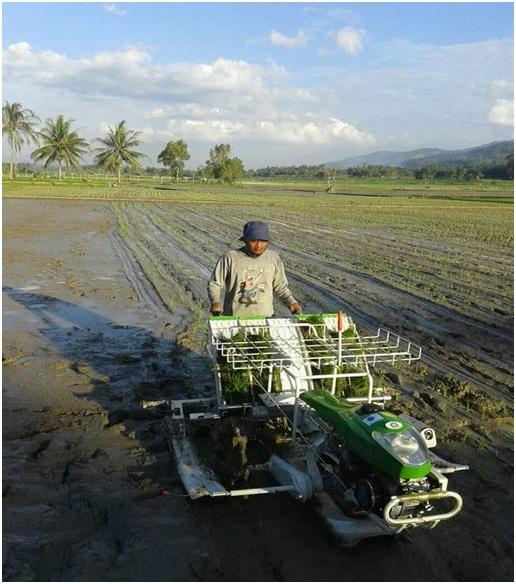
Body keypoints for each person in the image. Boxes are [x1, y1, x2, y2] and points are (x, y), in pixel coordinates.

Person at [208, 220, 302, 317]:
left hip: (266, 318)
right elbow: (215, 283)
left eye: (263, 241)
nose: (258, 246)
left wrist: (291, 302)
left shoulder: (273, 258)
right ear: (245, 240)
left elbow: (280, 286)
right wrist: (216, 301)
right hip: (234, 318)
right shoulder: (231, 257)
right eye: (253, 241)